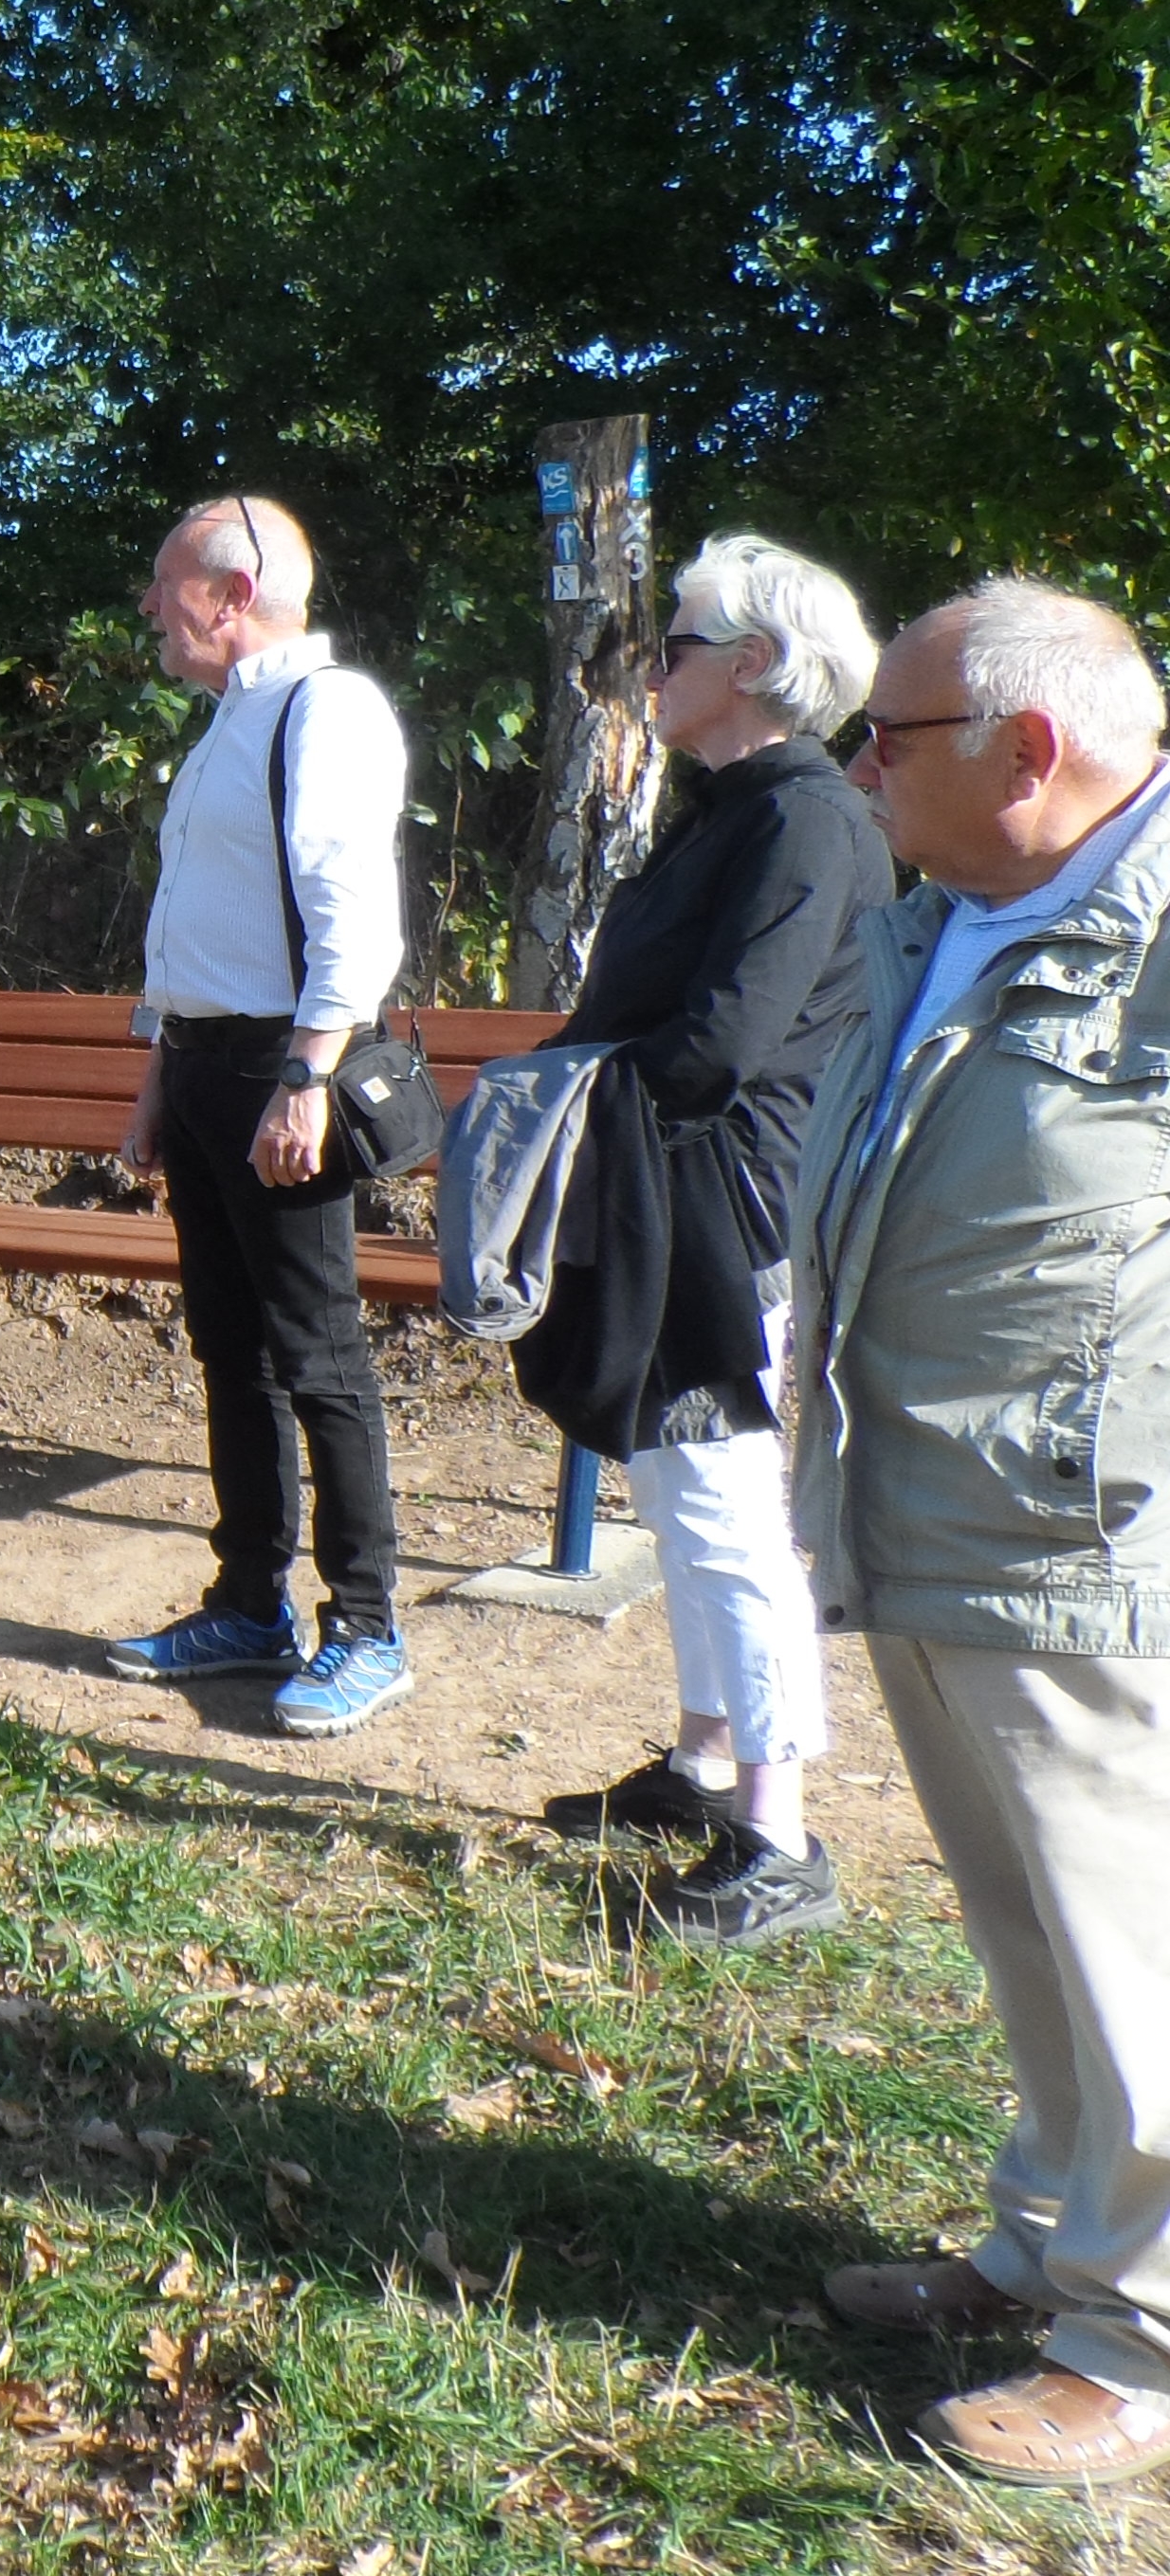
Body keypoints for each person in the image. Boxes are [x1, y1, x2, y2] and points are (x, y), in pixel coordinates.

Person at [789, 575, 1170, 2487]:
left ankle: (1144, 2349)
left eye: (891, 736)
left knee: (1134, 1932)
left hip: (1094, 1534)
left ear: (1031, 752)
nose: (860, 763)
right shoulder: (951, 907)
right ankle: (1045, 2243)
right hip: (928, 1498)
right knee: (1028, 1918)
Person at [510, 539, 892, 1944]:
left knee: (726, 1504)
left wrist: (567, 1091)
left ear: (751, 667)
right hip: (668, 1187)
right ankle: (703, 1764)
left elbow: (723, 1042)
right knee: (679, 1490)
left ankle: (779, 1843)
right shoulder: (731, 807)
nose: (651, 667)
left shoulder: (802, 819)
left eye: (673, 644)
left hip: (720, 1207)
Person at [106, 494, 419, 1735]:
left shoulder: (320, 710)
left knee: (316, 1352)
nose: (148, 605)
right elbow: (200, 929)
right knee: (229, 1350)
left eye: (164, 582)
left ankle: (369, 1625)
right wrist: (156, 1080)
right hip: (205, 1070)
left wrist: (304, 1075)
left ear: (235, 594)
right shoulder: (232, 721)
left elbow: (358, 916)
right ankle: (248, 1603)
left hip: (280, 1071)